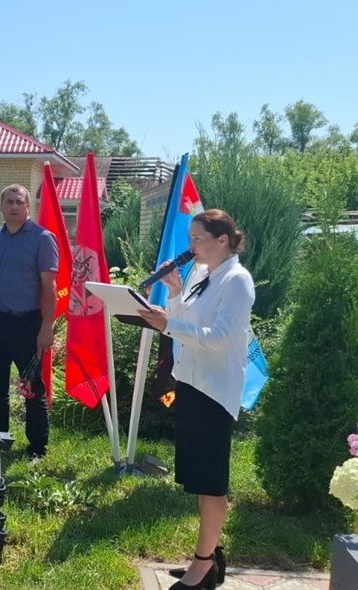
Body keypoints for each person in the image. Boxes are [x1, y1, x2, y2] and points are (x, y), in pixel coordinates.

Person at [136, 209, 255, 590]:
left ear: (223, 240)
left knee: (211, 482)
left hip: (214, 391)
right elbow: (184, 319)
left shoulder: (237, 281)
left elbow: (218, 336)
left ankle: (203, 567)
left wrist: (169, 323)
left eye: (197, 239)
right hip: (191, 382)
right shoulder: (202, 273)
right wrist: (172, 294)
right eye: (190, 239)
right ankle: (212, 557)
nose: (191, 247)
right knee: (198, 476)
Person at [0, 184, 57, 460]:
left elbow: (50, 287)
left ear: (28, 207)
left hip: (26, 324)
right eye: (9, 202)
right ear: (1, 206)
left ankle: (37, 447)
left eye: (19, 202)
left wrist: (46, 328)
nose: (14, 206)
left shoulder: (42, 238)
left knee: (31, 387)